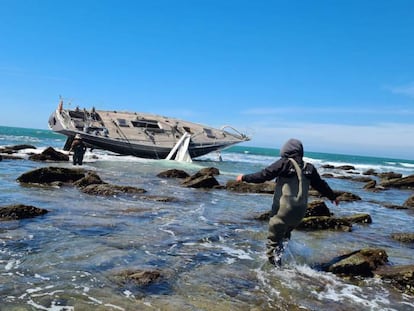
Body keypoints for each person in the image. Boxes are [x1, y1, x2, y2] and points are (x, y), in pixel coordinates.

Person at [236, 138, 339, 266]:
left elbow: (264, 175)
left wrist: (244, 177)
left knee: (273, 241)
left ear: (286, 151)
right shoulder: (310, 168)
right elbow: (321, 185)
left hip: (283, 210)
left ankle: (274, 272)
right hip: (299, 212)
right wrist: (333, 197)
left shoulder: (284, 163)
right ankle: (283, 261)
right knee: (285, 235)